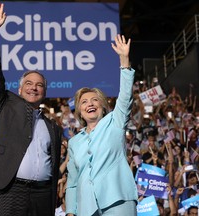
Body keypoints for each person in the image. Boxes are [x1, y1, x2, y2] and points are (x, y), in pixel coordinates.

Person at [0, 2, 62, 216]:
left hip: (43, 195)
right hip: (10, 191)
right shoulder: (4, 105)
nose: (34, 87)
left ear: (45, 91)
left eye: (39, 85)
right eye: (29, 83)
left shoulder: (53, 127)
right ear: (19, 88)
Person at [65, 34, 138, 216]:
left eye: (94, 100)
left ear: (102, 106)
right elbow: (73, 181)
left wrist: (124, 60)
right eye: (84, 102)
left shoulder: (115, 121)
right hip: (86, 208)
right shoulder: (74, 143)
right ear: (80, 111)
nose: (89, 104)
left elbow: (125, 97)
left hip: (118, 201)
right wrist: (71, 212)